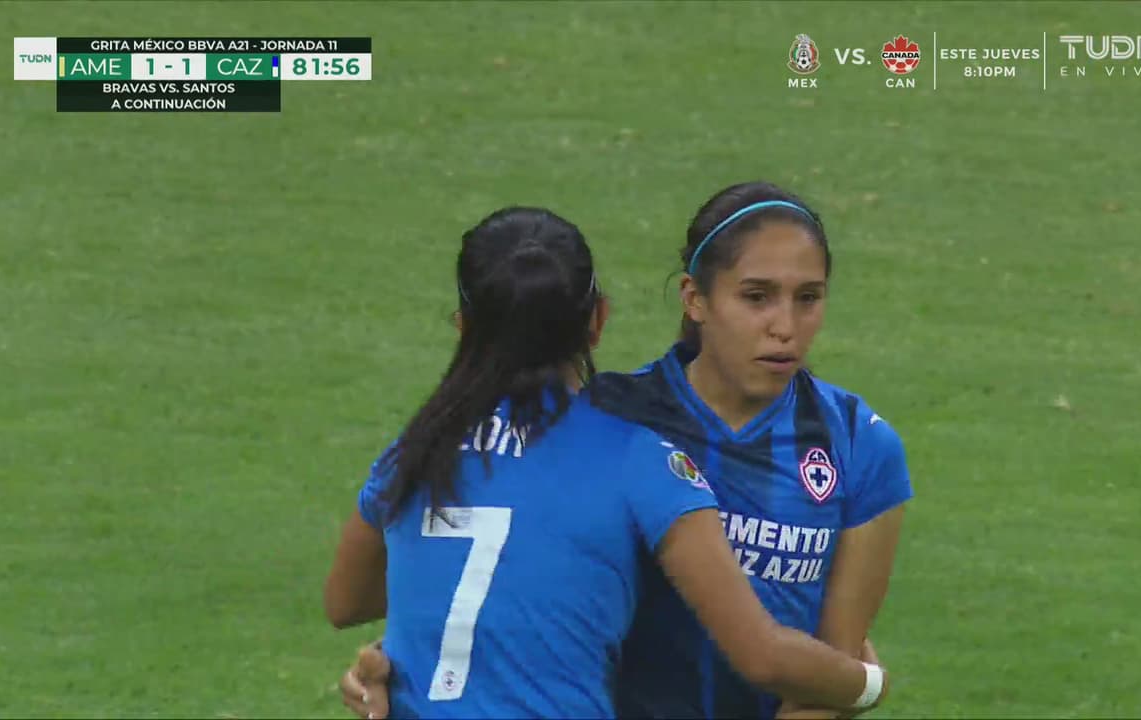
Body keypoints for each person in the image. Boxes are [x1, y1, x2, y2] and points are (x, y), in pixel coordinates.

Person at [337, 184, 913, 719]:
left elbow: (824, 681)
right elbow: (509, 578)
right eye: (756, 297)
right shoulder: (610, 423)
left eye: (809, 298)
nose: (784, 326)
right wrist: (405, 660)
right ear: (695, 298)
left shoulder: (859, 445)